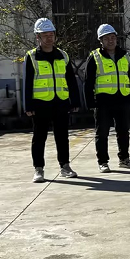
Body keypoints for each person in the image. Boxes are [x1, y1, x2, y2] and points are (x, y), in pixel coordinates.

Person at [25, 18, 81, 182]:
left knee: (62, 136)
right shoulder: (32, 56)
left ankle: (65, 166)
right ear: (38, 37)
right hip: (40, 103)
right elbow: (28, 82)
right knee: (39, 137)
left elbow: (71, 80)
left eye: (51, 35)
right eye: (45, 35)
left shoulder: (63, 55)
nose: (49, 38)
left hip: (61, 102)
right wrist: (28, 105)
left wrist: (75, 101)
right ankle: (38, 169)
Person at [84, 24, 130, 173]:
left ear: (116, 39)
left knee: (123, 131)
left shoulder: (125, 56)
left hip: (122, 99)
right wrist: (89, 101)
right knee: (102, 133)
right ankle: (103, 162)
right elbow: (88, 81)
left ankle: (124, 159)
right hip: (103, 102)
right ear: (101, 41)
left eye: (112, 37)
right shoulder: (94, 57)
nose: (110, 41)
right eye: (106, 38)